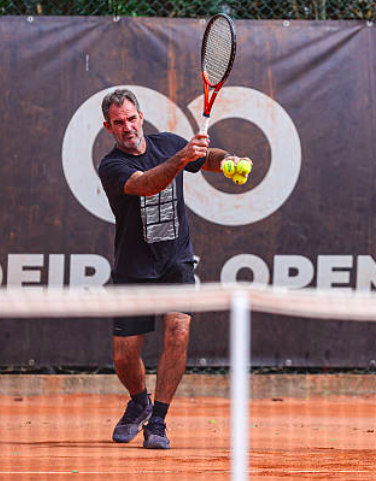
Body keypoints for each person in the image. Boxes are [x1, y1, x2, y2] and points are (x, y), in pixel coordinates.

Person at [97, 88, 250, 449]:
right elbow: (149, 184)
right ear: (109, 127)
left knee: (178, 332)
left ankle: (159, 422)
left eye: (132, 119)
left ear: (141, 117)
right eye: (119, 123)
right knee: (123, 356)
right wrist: (183, 157)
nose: (128, 127)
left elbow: (205, 158)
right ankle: (139, 402)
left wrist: (228, 161)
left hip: (175, 261)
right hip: (133, 268)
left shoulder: (167, 143)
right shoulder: (112, 166)